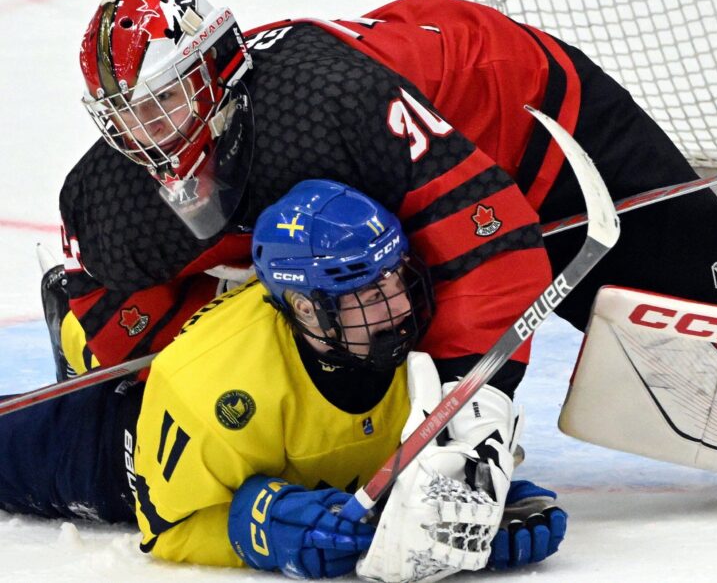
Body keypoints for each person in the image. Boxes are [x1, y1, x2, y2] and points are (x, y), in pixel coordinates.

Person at [51, 0, 717, 400]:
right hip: (387, 145)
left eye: (164, 101)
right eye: (125, 115)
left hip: (517, 104)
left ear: (215, 69)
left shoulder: (331, 107)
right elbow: (104, 290)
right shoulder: (115, 187)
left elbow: (492, 249)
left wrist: (469, 415)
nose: (147, 134)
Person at [3, 181, 567, 579]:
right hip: (126, 442)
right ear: (304, 306)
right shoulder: (211, 383)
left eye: (395, 279)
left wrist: (486, 501)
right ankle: (79, 332)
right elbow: (166, 526)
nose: (397, 306)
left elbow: (458, 458)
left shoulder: (430, 340)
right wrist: (254, 529)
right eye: (368, 296)